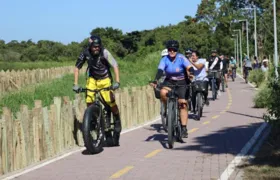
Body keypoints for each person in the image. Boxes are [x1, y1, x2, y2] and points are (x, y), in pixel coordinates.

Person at [72, 35, 122, 146]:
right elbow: (77, 68)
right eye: (94, 47)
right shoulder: (85, 53)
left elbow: (115, 65)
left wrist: (117, 82)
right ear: (90, 46)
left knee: (109, 101)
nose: (96, 49)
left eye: (98, 46)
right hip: (92, 78)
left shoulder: (104, 52)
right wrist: (75, 84)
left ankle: (117, 117)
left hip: (105, 78)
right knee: (89, 98)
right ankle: (93, 117)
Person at [150, 40, 191, 138]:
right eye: (170, 50)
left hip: (182, 82)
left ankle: (184, 127)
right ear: (167, 50)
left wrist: (192, 74)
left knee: (183, 104)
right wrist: (156, 80)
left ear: (177, 50)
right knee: (163, 92)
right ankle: (167, 107)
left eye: (174, 50)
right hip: (169, 81)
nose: (172, 51)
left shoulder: (181, 58)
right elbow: (160, 70)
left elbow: (189, 67)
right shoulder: (164, 59)